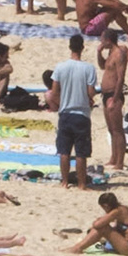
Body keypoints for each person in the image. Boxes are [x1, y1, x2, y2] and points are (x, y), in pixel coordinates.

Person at [47, 33, 99, 189]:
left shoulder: (60, 67)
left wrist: (60, 104)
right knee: (81, 153)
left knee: (64, 151)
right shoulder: (89, 68)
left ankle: (64, 182)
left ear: (70, 47)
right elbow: (90, 92)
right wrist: (90, 99)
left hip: (65, 112)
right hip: (81, 114)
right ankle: (82, 183)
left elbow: (54, 91)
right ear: (82, 48)